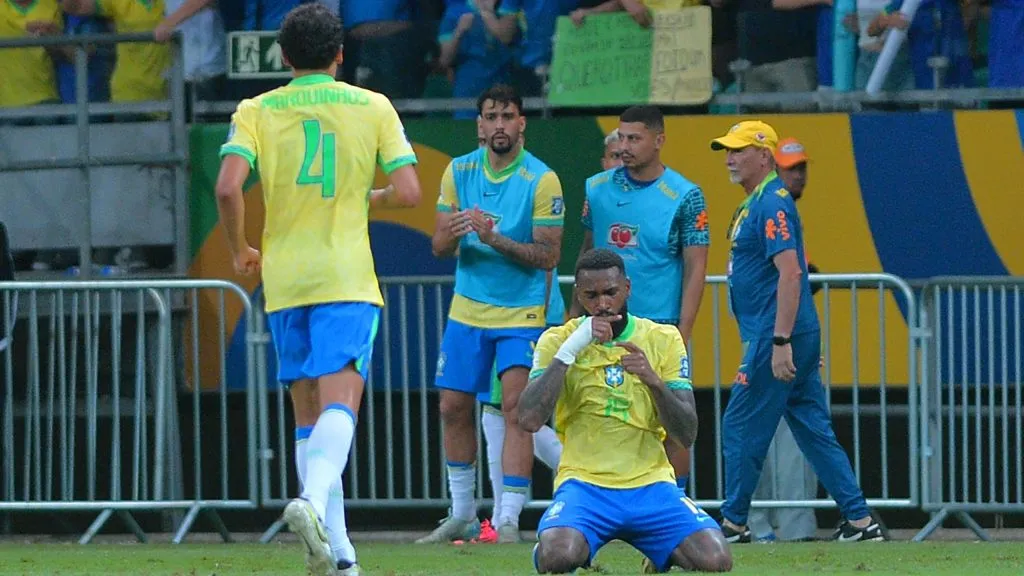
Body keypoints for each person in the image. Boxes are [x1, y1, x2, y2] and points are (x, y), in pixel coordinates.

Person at [215, 5, 422, 575]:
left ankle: (340, 555)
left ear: (283, 56)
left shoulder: (256, 109)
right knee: (340, 404)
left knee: (306, 414)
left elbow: (228, 188)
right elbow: (409, 192)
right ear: (340, 54)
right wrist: (368, 195)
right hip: (344, 275)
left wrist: (239, 249)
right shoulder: (372, 105)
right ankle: (309, 500)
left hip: (285, 277)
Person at [709, 120, 887, 544]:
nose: (730, 158)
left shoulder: (771, 203)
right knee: (812, 428)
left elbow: (791, 274)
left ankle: (733, 524)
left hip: (773, 333)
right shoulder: (761, 201)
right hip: (786, 332)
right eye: (727, 150)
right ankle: (860, 521)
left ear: (764, 156)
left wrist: (780, 341)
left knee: (740, 424)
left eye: (738, 150)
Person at [519, 248, 732, 574]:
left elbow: (687, 433)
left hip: (651, 484)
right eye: (591, 296)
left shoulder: (663, 338)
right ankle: (553, 543)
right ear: (578, 294)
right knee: (557, 557)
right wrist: (570, 350)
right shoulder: (558, 340)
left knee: (716, 559)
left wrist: (653, 381)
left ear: (627, 289)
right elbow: (529, 419)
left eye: (611, 292)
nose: (602, 304)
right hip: (585, 485)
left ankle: (661, 551)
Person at [418, 83, 565, 545]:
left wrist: (493, 238)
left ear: (522, 123)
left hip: (521, 312)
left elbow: (549, 255)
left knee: (517, 409)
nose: (499, 125)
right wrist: (454, 232)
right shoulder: (458, 171)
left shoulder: (542, 179)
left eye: (507, 116)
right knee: (452, 406)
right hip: (467, 310)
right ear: (480, 124)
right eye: (490, 116)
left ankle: (508, 520)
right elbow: (438, 247)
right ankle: (463, 512)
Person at [571, 105, 710, 494]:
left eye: (635, 138)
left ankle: (676, 502)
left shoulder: (686, 196)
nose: (625, 146)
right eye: (621, 137)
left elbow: (696, 268)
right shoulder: (596, 189)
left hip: (659, 325)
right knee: (598, 414)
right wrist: (573, 316)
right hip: (601, 325)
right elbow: (586, 253)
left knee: (671, 423)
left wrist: (682, 331)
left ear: (659, 140)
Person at [746, 136, 819, 543]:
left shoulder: (773, 207)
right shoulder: (773, 207)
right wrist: (784, 340)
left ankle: (770, 527)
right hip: (774, 337)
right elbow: (785, 277)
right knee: (774, 431)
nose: (799, 175)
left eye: (802, 167)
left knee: (780, 431)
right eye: (791, 168)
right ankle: (767, 527)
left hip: (777, 336)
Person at [476, 275, 566, 543]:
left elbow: (545, 261)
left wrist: (539, 313)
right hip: (505, 316)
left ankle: (503, 518)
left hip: (525, 318)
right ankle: (501, 517)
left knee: (506, 412)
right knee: (500, 412)